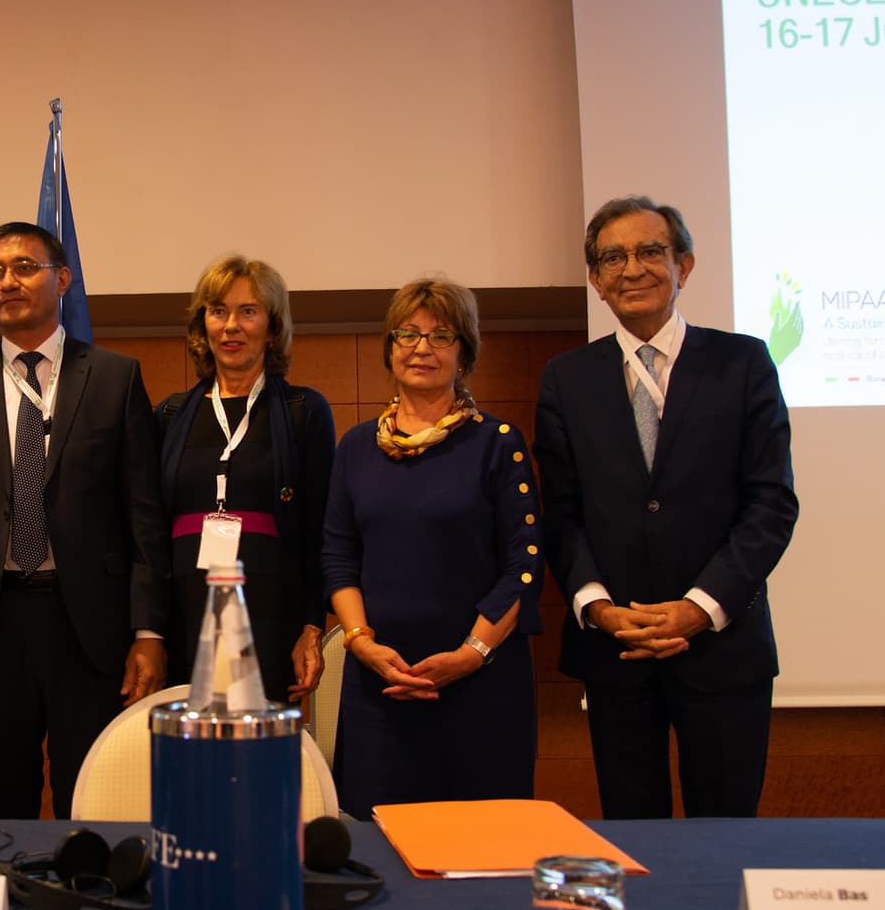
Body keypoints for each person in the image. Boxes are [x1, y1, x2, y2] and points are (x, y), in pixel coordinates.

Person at [534, 196, 797, 820]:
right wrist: (597, 609)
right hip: (615, 651)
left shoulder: (744, 363)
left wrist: (698, 609)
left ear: (685, 265)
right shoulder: (566, 379)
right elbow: (561, 514)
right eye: (613, 257)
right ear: (596, 281)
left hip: (723, 650)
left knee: (726, 837)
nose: (634, 268)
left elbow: (771, 503)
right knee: (634, 837)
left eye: (651, 251)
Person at [0, 221, 172, 819]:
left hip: (88, 625)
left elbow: (144, 520)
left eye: (24, 267)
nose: (9, 281)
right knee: (3, 806)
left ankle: (86, 906)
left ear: (62, 278)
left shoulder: (114, 377)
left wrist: (149, 632)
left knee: (92, 802)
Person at [320, 278, 543, 817]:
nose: (422, 348)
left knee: (484, 853)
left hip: (480, 686)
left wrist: (471, 656)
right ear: (389, 348)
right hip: (380, 687)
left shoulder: (498, 443)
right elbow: (337, 555)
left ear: (463, 353)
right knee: (380, 855)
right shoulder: (355, 447)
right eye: (408, 334)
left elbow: (524, 565)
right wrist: (359, 642)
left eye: (441, 336)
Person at [155, 256, 333, 700]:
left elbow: (320, 531)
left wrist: (312, 626)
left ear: (272, 328)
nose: (231, 325)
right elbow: (149, 530)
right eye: (218, 311)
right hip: (184, 616)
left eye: (248, 311)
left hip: (271, 618)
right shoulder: (169, 415)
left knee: (259, 756)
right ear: (203, 325)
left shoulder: (304, 411)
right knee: (188, 756)